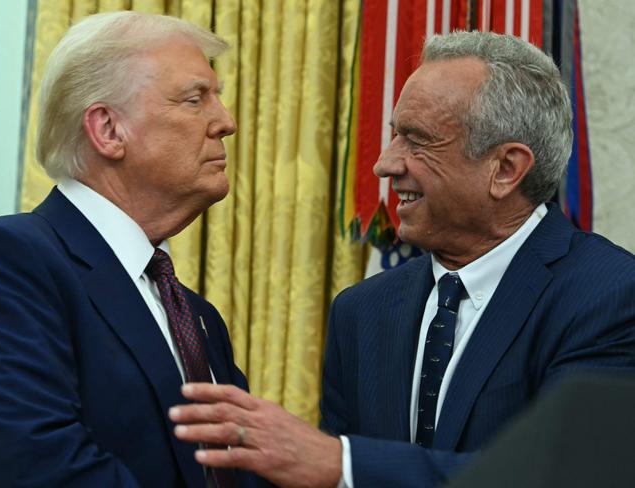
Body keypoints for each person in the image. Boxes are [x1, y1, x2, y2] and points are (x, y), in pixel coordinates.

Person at [167, 31, 635, 488]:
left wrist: (343, 463)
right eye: (394, 136)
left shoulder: (608, 296)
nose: (385, 164)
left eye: (416, 140)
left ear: (506, 169)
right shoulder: (363, 310)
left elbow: (570, 474)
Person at [0, 11, 262, 488]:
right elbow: (37, 464)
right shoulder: (11, 261)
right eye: (195, 99)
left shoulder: (199, 318)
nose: (226, 122)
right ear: (109, 130)